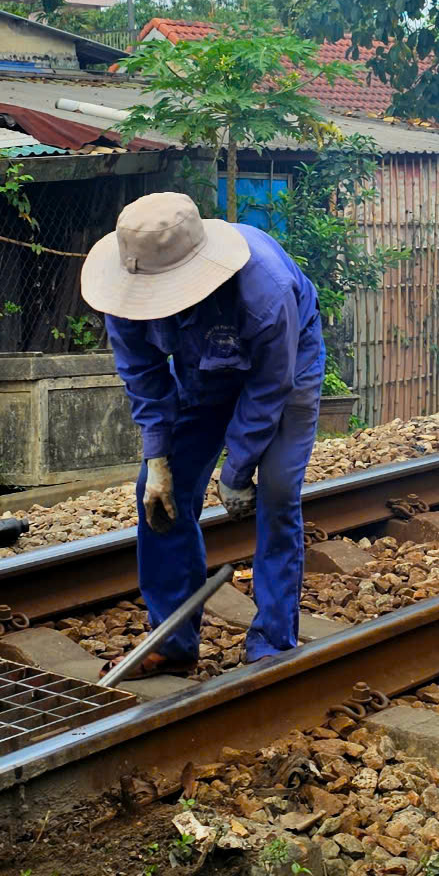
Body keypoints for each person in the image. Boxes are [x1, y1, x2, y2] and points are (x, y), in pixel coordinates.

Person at [82, 193, 324, 673]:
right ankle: (172, 639)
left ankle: (274, 640)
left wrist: (237, 471)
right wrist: (158, 461)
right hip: (201, 373)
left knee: (276, 493)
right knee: (158, 500)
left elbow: (271, 387)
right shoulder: (126, 285)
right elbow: (145, 378)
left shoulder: (265, 288)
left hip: (286, 370)